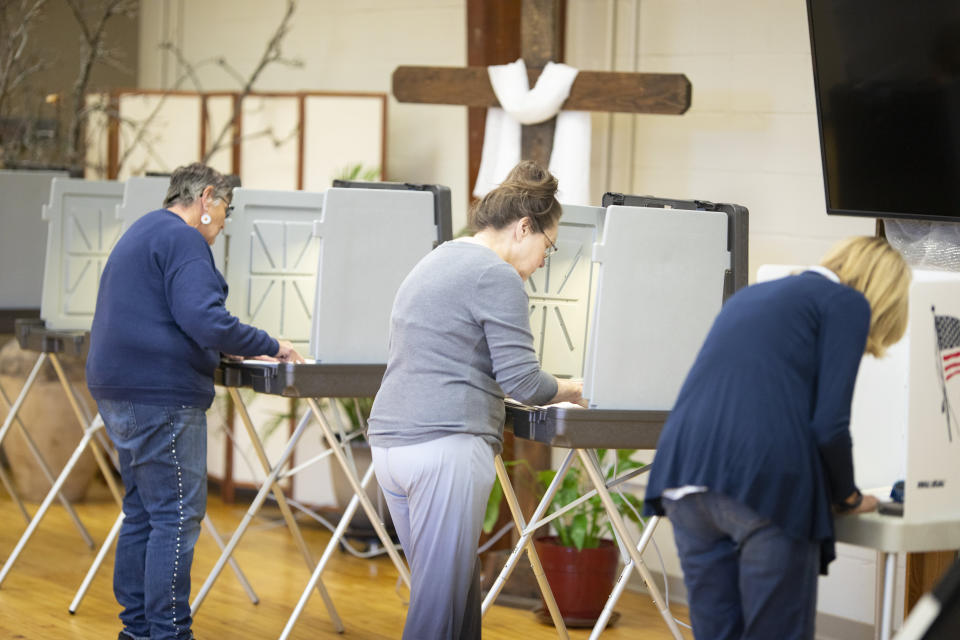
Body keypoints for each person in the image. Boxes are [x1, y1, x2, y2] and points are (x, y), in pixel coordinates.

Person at [643, 236, 911, 640]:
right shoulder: (846, 302)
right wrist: (848, 497)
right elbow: (829, 426)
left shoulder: (754, 296)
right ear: (882, 291)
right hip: (765, 481)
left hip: (683, 477)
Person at [367, 160, 584, 639]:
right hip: (443, 447)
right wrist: (574, 388)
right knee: (437, 615)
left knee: (455, 599)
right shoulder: (495, 275)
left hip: (391, 446)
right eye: (549, 245)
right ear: (524, 227)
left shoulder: (440, 257)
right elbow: (525, 382)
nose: (546, 258)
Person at [86, 163, 303, 640]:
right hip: (159, 394)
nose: (225, 221)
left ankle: (138, 630)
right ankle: (168, 633)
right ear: (207, 198)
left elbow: (177, 314)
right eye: (227, 208)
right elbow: (203, 318)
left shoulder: (144, 229)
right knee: (176, 516)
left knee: (144, 511)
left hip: (118, 389)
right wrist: (271, 343)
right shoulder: (184, 240)